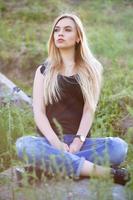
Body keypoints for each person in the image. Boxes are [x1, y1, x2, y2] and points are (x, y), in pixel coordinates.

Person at [16, 13, 129, 185]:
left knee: (119, 147)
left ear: (78, 37)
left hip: (81, 144)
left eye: (67, 30)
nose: (60, 33)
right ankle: (105, 173)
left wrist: (77, 142)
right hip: (49, 142)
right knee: (24, 145)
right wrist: (56, 143)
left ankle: (49, 167)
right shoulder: (43, 70)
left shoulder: (92, 69)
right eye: (57, 30)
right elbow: (38, 112)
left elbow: (88, 110)